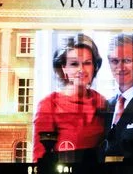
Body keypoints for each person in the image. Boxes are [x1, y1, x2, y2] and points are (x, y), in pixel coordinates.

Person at [32, 34, 107, 162]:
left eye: (87, 63)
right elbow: (40, 158)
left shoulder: (102, 102)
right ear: (64, 68)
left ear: (95, 67)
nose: (81, 69)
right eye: (74, 64)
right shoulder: (48, 104)